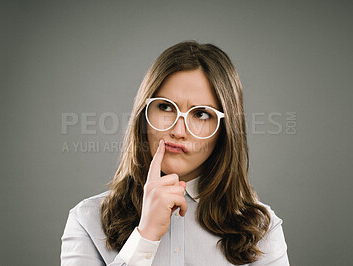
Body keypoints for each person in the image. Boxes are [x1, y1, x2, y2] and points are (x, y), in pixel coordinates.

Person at [60, 40, 290, 266]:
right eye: (166, 107)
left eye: (201, 114)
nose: (179, 131)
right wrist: (145, 237)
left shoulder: (262, 230)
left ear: (225, 129)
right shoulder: (87, 221)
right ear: (144, 114)